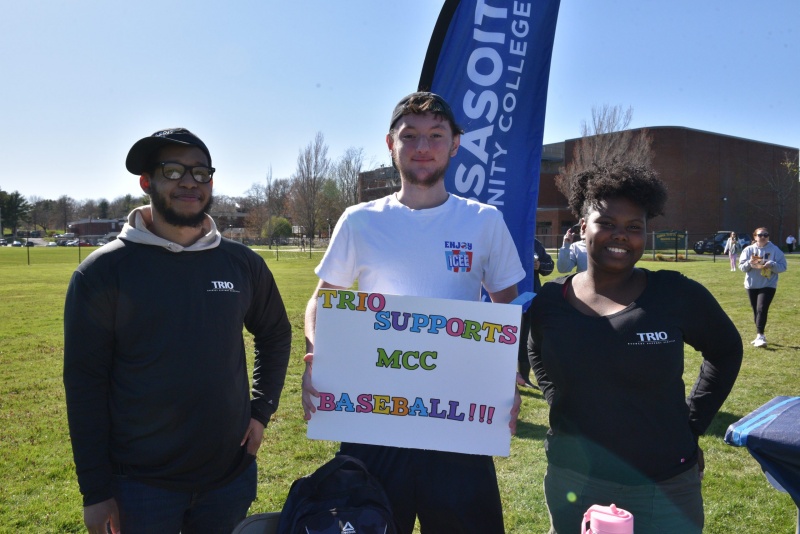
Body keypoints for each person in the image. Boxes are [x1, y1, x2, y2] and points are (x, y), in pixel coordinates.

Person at [301, 92, 525, 533]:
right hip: (374, 419)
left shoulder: (483, 221)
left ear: (455, 143)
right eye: (411, 136)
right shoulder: (359, 220)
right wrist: (316, 354)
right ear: (391, 143)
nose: (423, 147)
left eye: (436, 135)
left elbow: (508, 310)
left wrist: (507, 376)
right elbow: (322, 299)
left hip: (459, 420)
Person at [63, 128, 293, 534]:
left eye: (201, 172)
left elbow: (274, 332)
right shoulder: (103, 273)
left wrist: (261, 410)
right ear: (146, 181)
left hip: (229, 480)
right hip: (139, 488)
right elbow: (84, 385)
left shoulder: (241, 263)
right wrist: (95, 491)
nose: (189, 181)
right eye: (173, 171)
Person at [527, 163, 743, 534]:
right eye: (607, 223)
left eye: (633, 227)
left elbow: (725, 350)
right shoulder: (551, 300)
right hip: (573, 480)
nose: (620, 235)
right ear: (582, 228)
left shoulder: (676, 294)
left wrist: (692, 423)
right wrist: (555, 395)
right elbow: (536, 348)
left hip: (664, 484)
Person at [739, 227, 787, 348]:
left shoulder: (775, 250)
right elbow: (742, 267)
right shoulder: (748, 250)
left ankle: (760, 335)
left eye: (766, 235)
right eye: (760, 235)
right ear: (755, 237)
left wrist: (772, 265)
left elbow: (783, 267)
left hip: (768, 284)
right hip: (751, 285)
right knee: (756, 310)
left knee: (761, 308)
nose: (763, 237)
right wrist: (750, 263)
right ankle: (759, 335)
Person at [518, 238, 553, 388]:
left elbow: (550, 266)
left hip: (531, 296)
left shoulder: (535, 244)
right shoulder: (511, 238)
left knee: (527, 337)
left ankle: (524, 378)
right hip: (509, 296)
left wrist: (539, 266)